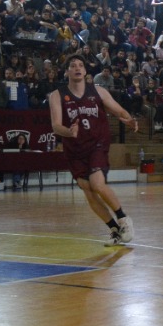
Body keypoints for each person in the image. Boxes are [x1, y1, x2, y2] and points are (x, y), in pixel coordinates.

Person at [48, 54, 138, 246]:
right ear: (67, 71)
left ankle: (123, 219)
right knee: (88, 190)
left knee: (97, 184)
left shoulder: (98, 91)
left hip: (97, 144)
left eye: (80, 65)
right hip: (74, 149)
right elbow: (56, 125)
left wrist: (129, 119)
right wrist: (69, 132)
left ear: (86, 71)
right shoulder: (57, 95)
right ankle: (114, 230)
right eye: (73, 66)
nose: (77, 68)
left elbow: (118, 110)